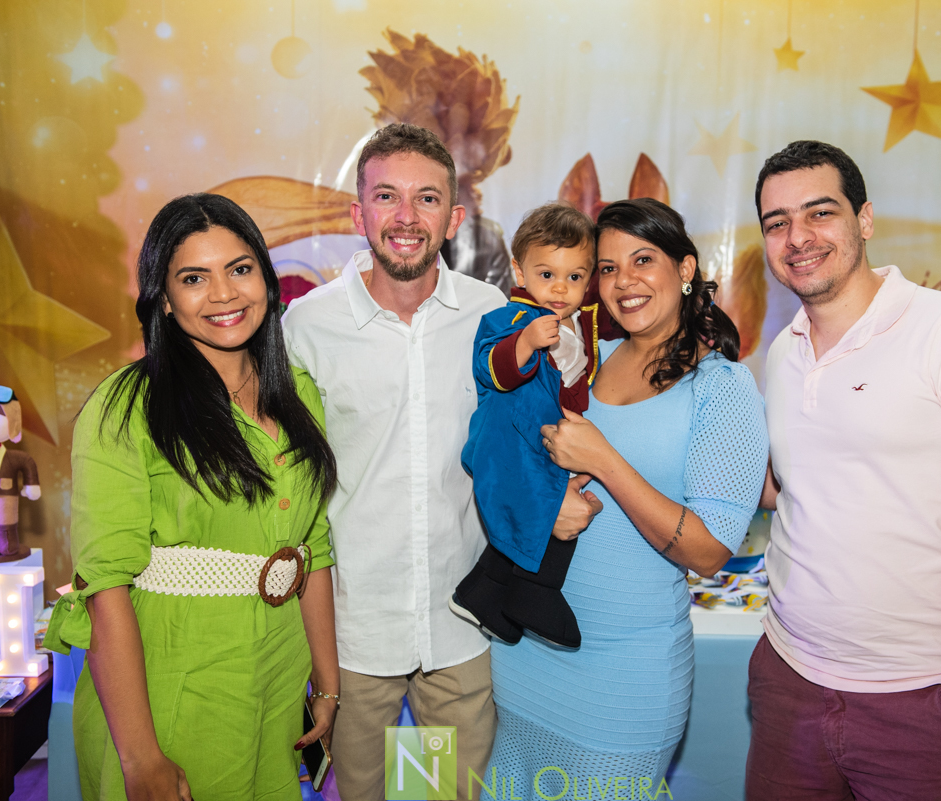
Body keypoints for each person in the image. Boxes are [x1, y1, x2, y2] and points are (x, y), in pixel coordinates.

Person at [747, 140, 941, 800]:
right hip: (788, 681)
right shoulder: (782, 351)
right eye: (777, 222)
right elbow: (795, 490)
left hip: (920, 699)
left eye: (819, 213)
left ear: (865, 219)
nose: (798, 238)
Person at [44, 193, 340, 801]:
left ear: (265, 275)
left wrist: (327, 684)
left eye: (239, 268)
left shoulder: (299, 393)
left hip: (279, 680)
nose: (225, 294)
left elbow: (310, 550)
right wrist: (140, 756)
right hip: (173, 688)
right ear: (164, 297)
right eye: (193, 278)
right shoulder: (125, 407)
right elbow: (105, 589)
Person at [482, 198, 769, 798]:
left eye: (643, 260)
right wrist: (543, 504)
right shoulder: (584, 361)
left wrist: (605, 463)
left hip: (624, 674)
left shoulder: (723, 386)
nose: (623, 282)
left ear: (686, 268)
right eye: (606, 268)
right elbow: (510, 450)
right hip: (526, 655)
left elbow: (711, 552)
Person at [284, 123, 537, 800]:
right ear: (357, 212)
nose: (405, 217)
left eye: (426, 199)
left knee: (443, 797)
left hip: (458, 631)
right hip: (353, 638)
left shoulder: (491, 318)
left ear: (454, 218)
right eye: (387, 196)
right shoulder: (305, 327)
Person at [454, 203, 620, 649]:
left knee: (557, 494)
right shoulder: (510, 318)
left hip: (543, 437)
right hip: (512, 438)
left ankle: (485, 593)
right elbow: (492, 369)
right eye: (546, 275)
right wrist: (524, 343)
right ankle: (535, 590)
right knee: (547, 504)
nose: (560, 289)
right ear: (519, 271)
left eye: (575, 277)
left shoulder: (582, 325)